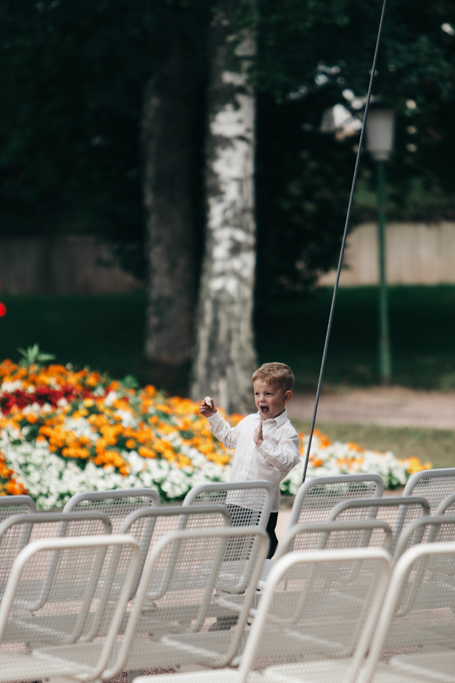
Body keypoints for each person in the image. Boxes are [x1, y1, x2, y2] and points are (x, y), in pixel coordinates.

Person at [199, 361, 301, 560]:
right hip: (236, 499)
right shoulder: (249, 422)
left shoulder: (286, 433)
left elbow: (287, 461)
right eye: (257, 394)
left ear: (286, 397)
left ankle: (260, 583)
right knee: (231, 550)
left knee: (259, 549)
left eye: (268, 394)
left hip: (260, 504)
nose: (261, 399)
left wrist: (262, 444)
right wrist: (214, 416)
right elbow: (229, 439)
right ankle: (234, 588)